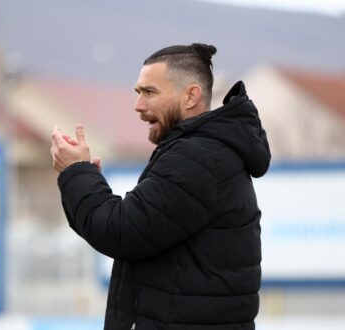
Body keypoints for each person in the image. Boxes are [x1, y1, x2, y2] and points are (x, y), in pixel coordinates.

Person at [51, 43, 270, 329]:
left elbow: (121, 232)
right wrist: (85, 180)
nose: (138, 105)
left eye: (149, 92)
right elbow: (133, 230)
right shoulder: (202, 152)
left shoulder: (198, 158)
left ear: (191, 95)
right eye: (138, 92)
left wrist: (76, 173)